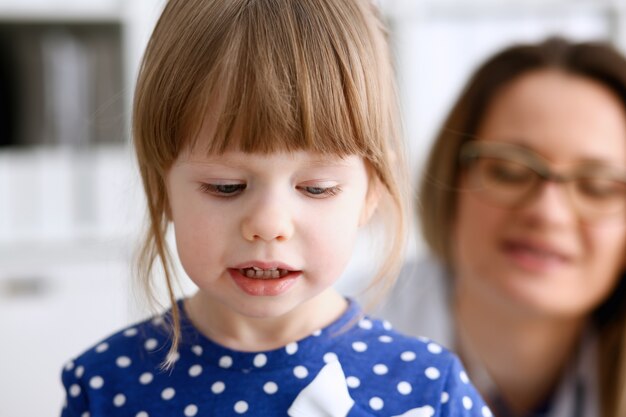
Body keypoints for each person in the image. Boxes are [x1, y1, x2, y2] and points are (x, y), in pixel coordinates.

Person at [59, 1, 489, 416]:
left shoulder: (426, 387)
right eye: (225, 186)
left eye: (316, 189)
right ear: (161, 187)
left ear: (371, 191)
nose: (268, 225)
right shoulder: (106, 385)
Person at [378, 37, 626, 417]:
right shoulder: (333, 337)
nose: (549, 213)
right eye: (509, 171)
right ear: (452, 178)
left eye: (597, 187)